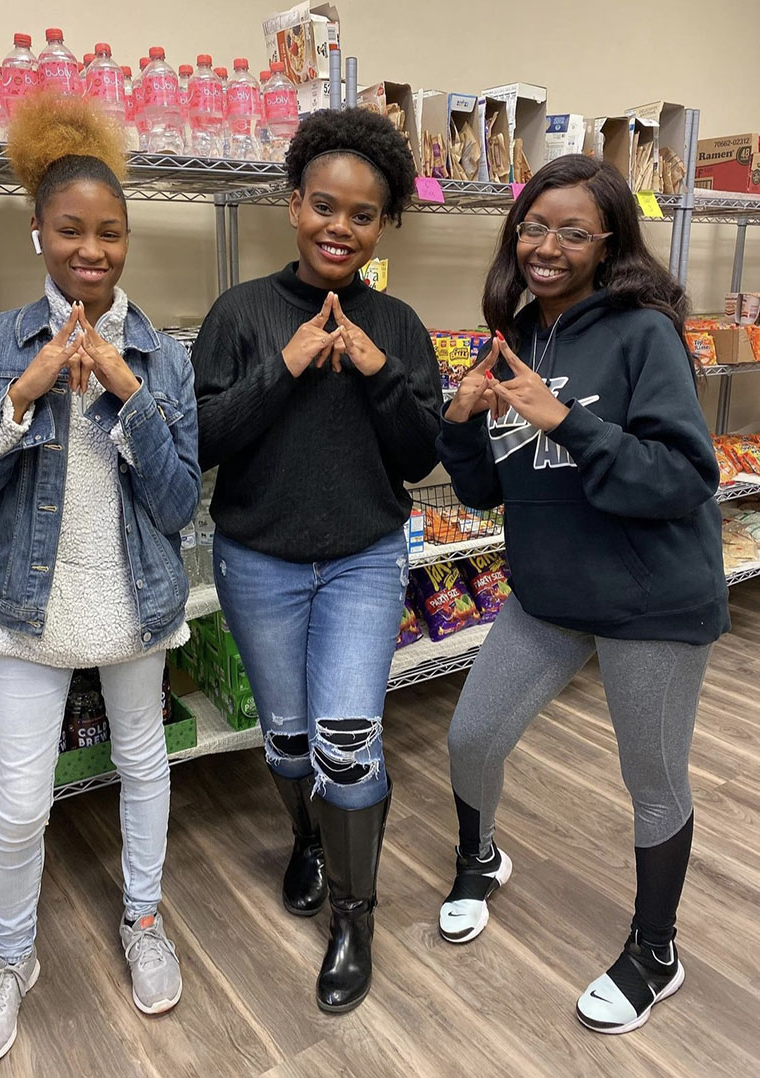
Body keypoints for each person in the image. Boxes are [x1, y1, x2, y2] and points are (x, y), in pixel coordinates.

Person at [0, 96, 200, 1066]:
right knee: (19, 800)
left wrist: (127, 398)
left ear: (127, 238)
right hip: (29, 607)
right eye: (72, 229)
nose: (92, 249)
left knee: (142, 764)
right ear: (38, 230)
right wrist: (23, 393)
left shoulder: (162, 356)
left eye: (110, 231)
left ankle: (143, 919)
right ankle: (10, 958)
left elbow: (176, 508)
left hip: (135, 598)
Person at [436, 154, 728, 1035]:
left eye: (572, 231)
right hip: (547, 594)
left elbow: (683, 477)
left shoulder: (644, 333)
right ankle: (480, 858)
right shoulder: (515, 333)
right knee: (470, 736)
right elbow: (488, 492)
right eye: (533, 226)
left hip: (651, 601)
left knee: (651, 782)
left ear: (608, 244)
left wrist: (563, 417)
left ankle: (655, 951)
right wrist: (459, 424)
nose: (546, 246)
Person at [191, 108, 442, 1013]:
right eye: (324, 206)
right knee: (289, 741)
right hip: (257, 560)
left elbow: (419, 458)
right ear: (293, 205)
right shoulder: (242, 313)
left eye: (363, 214)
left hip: (364, 561)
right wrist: (285, 367)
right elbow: (201, 440)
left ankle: (354, 916)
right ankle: (307, 839)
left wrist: (377, 371)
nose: (341, 227)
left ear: (383, 226)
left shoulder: (400, 324)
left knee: (347, 740)